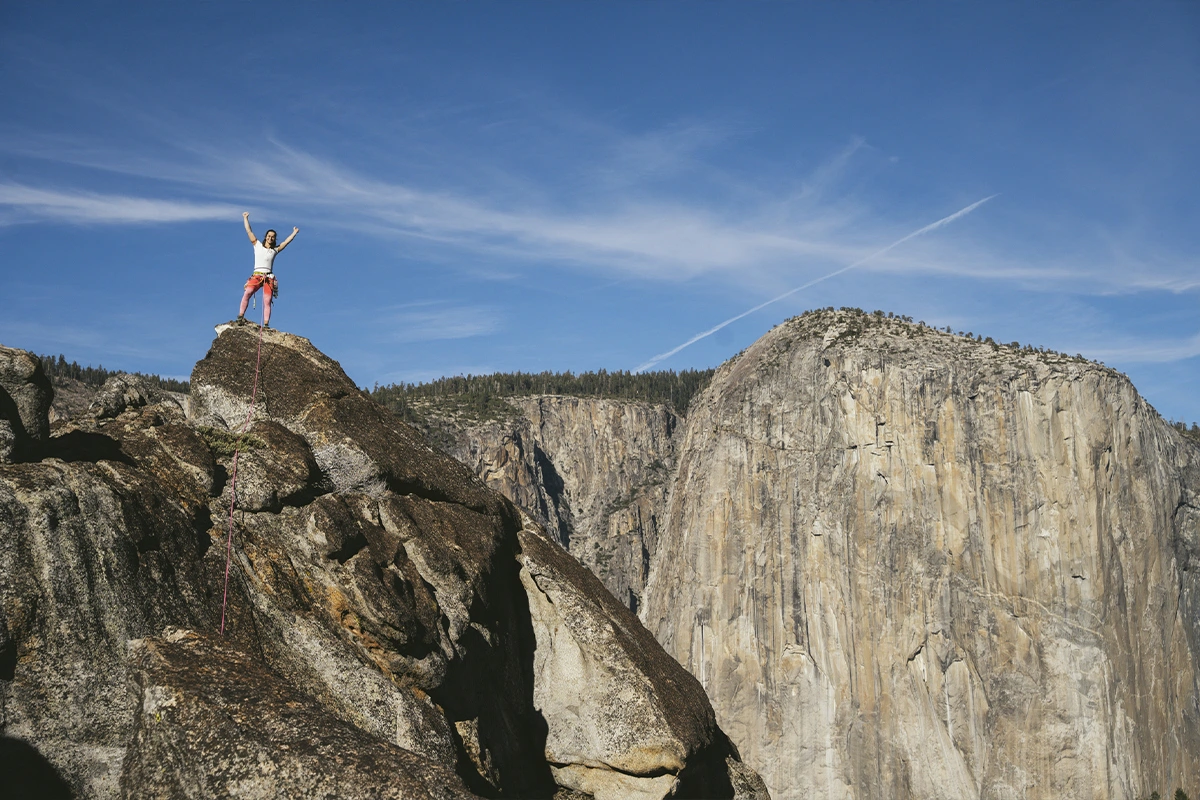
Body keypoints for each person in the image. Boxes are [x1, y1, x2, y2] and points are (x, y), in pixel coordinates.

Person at [237, 212, 298, 327]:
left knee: (267, 300)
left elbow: (286, 242)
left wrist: (294, 233)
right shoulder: (257, 245)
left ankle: (266, 324)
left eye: (273, 236)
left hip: (268, 277)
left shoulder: (275, 250)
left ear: (274, 239)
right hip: (257, 275)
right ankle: (240, 316)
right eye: (269, 236)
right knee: (248, 292)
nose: (270, 238)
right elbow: (249, 231)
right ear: (266, 237)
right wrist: (245, 218)